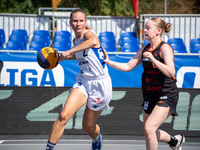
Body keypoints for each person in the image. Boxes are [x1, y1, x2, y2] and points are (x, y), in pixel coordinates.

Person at [103, 18, 185, 150]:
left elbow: (171, 72)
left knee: (149, 129)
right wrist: (108, 61)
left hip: (166, 94)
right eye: (145, 28)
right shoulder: (144, 49)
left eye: (148, 28)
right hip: (150, 95)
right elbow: (128, 66)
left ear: (158, 31)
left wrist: (153, 59)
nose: (145, 31)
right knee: (149, 132)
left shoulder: (164, 48)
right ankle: (174, 141)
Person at [45, 8, 112, 150]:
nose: (78, 23)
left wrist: (69, 51)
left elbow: (93, 41)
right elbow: (78, 55)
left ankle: (97, 137)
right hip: (83, 80)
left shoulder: (88, 34)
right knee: (63, 116)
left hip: (100, 83)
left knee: (87, 126)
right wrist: (59, 57)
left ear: (85, 22)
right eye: (75, 21)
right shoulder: (76, 40)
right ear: (70, 23)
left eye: (81, 20)